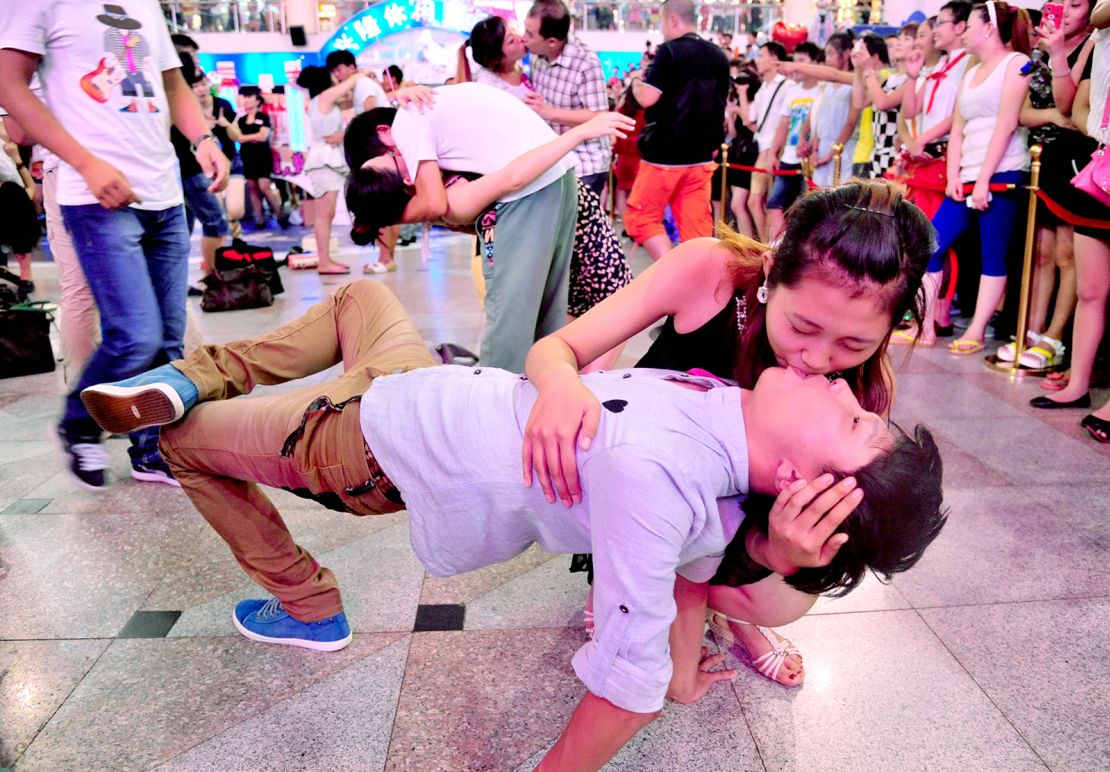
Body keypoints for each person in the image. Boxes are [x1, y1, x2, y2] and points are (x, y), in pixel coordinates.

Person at [78, 278, 947, 770]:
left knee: (180, 443)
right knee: (360, 296)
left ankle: (305, 603)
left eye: (853, 419)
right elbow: (694, 580)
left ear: (803, 484)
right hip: (419, 387)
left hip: (370, 442)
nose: (840, 382)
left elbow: (631, 676)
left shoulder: (661, 479)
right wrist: (691, 674)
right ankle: (193, 375)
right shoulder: (724, 423)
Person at [524, 180, 936, 687]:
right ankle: (624, 580)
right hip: (644, 490)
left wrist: (781, 553)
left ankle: (728, 615)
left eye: (854, 344)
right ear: (771, 273)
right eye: (802, 327)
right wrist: (562, 385)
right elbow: (559, 348)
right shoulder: (708, 271)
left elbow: (798, 525)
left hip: (728, 533)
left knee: (788, 596)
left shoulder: (862, 396)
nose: (817, 359)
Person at [0, 0, 230, 490]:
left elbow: (172, 82)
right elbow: (9, 83)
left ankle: (151, 452)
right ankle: (77, 423)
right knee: (135, 335)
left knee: (167, 342)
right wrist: (84, 163)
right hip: (95, 196)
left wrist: (204, 139)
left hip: (163, 193)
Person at [344, 84, 629, 372]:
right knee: (543, 315)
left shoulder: (412, 126)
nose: (410, 170)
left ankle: (503, 392)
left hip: (542, 185)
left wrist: (578, 134)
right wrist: (576, 136)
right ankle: (547, 381)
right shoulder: (448, 188)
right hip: (557, 181)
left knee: (513, 319)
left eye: (392, 156)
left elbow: (509, 180)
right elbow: (508, 179)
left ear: (385, 132)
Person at [920, 1, 1033, 357]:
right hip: (966, 174)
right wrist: (954, 174)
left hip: (1002, 172)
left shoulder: (1016, 64)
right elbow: (957, 127)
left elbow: (1007, 124)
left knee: (992, 254)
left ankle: (977, 330)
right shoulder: (971, 71)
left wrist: (983, 179)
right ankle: (924, 326)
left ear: (989, 28)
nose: (965, 32)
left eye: (969, 26)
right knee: (930, 243)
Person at [1029, 0, 1110, 442]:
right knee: (1091, 289)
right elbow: (1072, 103)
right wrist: (1099, 131)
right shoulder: (1101, 39)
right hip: (1100, 166)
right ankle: (1077, 384)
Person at [1009, 0, 1095, 370]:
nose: (1066, 11)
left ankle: (1055, 337)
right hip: (1042, 156)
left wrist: (1058, 55)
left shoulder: (1091, 46)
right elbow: (1025, 112)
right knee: (1040, 252)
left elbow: (1071, 104)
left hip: (1078, 156)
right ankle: (1032, 329)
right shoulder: (1041, 53)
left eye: (1076, 4)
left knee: (1066, 253)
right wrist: (1056, 117)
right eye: (1061, 3)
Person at [624, 0, 730, 261]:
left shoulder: (669, 52)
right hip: (701, 157)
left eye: (661, 21)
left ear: (672, 20)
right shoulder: (719, 55)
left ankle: (671, 272)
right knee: (697, 229)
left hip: (664, 155)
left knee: (641, 218)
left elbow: (647, 98)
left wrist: (635, 82)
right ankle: (698, 280)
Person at [524, 0, 612, 197]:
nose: (524, 38)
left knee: (575, 218)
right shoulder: (538, 54)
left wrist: (549, 113)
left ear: (552, 41)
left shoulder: (586, 62)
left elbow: (598, 115)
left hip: (584, 164)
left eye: (530, 34)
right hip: (553, 159)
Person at [294, 65, 362, 276]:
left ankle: (326, 259)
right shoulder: (324, 97)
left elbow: (351, 99)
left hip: (327, 160)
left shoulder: (322, 101)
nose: (336, 77)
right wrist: (360, 74)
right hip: (324, 161)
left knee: (326, 214)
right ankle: (324, 262)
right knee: (324, 215)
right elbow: (350, 83)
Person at [173, 54, 229, 281]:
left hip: (185, 169)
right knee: (215, 221)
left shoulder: (217, 104)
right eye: (194, 61)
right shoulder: (175, 97)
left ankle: (183, 282)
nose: (198, 66)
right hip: (189, 170)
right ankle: (212, 277)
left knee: (180, 230)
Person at [766, 42, 822, 240]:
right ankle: (780, 247)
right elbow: (783, 125)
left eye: (802, 60)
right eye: (795, 60)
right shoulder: (792, 91)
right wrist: (773, 153)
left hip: (812, 159)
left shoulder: (822, 90)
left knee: (805, 210)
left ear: (815, 63)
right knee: (775, 205)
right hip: (789, 157)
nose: (796, 66)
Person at [744, 41, 789, 241]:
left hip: (776, 150)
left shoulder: (786, 85)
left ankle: (768, 245)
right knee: (757, 202)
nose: (758, 60)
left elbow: (786, 121)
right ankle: (766, 244)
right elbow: (749, 120)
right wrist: (741, 92)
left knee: (768, 203)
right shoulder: (763, 88)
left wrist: (775, 151)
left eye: (761, 56)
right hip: (763, 148)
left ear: (774, 58)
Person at [225, 85, 286, 230]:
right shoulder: (241, 120)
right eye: (244, 97)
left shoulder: (263, 117)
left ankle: (279, 214)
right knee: (252, 188)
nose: (246, 100)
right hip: (247, 156)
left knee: (264, 186)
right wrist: (252, 137)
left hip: (262, 156)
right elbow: (238, 138)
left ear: (257, 100)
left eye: (249, 97)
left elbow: (263, 136)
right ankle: (259, 218)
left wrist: (247, 137)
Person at [809, 32, 861, 187]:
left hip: (844, 149)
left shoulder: (855, 82)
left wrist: (833, 152)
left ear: (846, 54)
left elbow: (851, 122)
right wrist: (815, 149)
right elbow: (819, 117)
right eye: (826, 54)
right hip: (822, 148)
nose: (827, 59)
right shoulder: (826, 85)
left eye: (831, 53)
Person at [456, 16, 532, 99]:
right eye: (511, 41)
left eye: (514, 31)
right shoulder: (488, 86)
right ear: (496, 59)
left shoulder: (516, 63)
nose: (521, 38)